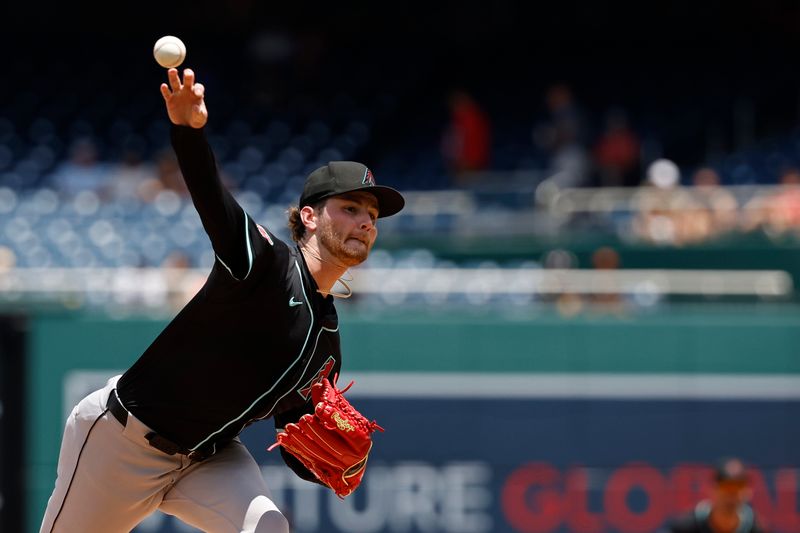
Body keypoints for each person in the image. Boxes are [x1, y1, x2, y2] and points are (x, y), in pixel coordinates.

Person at [39, 67, 405, 532]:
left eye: (372, 215)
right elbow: (213, 197)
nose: (366, 222)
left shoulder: (327, 343)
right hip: (123, 442)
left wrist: (340, 463)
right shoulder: (265, 263)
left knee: (271, 528)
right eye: (350, 208)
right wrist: (188, 132)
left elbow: (294, 441)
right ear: (309, 217)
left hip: (209, 459)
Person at [666, 457, 767, 533]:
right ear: (713, 489)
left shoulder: (755, 529)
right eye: (726, 488)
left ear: (748, 491)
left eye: (737, 489)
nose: (731, 496)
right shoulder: (686, 526)